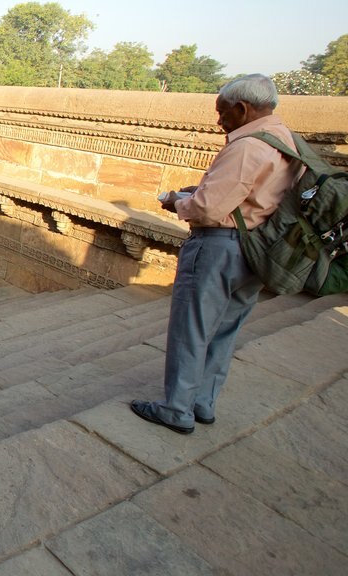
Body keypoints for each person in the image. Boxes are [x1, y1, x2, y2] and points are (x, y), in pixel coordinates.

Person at [131, 74, 304, 434]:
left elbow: (208, 209)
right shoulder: (288, 141)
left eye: (223, 112)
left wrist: (177, 200)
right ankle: (203, 403)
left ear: (242, 109)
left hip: (220, 246)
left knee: (191, 328)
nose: (220, 120)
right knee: (226, 329)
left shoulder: (247, 146)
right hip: (259, 247)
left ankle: (177, 409)